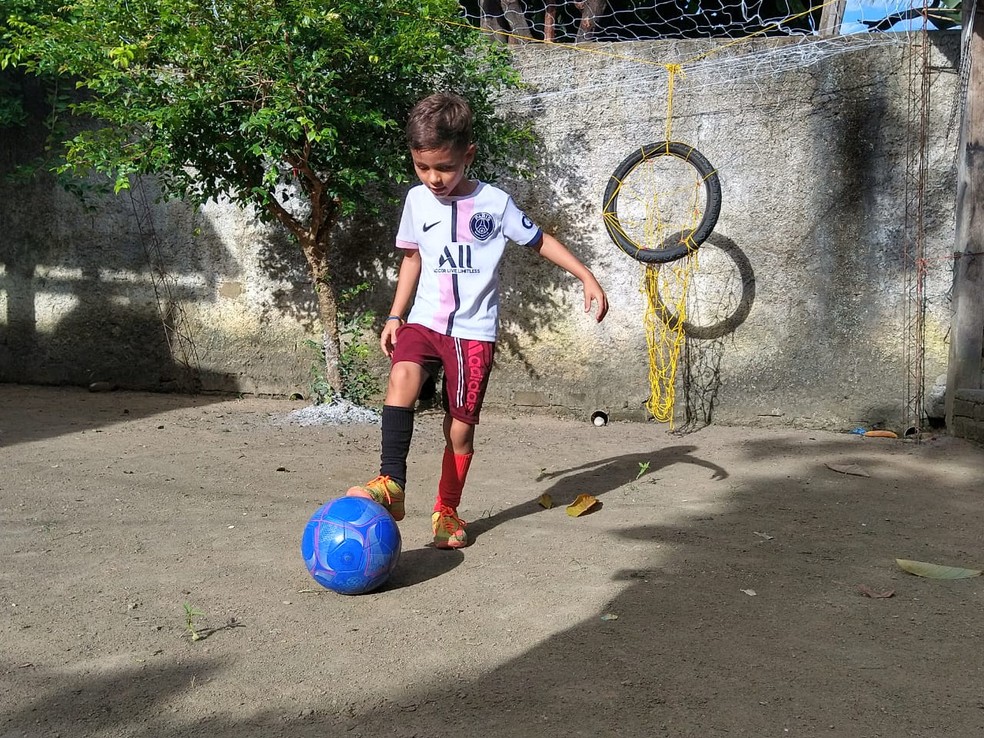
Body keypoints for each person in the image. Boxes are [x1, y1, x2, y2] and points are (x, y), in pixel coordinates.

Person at [347, 92, 608, 549]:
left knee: (460, 429)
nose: (433, 178)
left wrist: (585, 275)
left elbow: (540, 241)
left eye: (443, 168)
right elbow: (411, 258)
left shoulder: (495, 204)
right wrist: (395, 315)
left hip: (472, 332)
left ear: (467, 155)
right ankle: (392, 482)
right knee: (402, 378)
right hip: (424, 321)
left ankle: (446, 511)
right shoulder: (416, 201)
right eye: (422, 167)